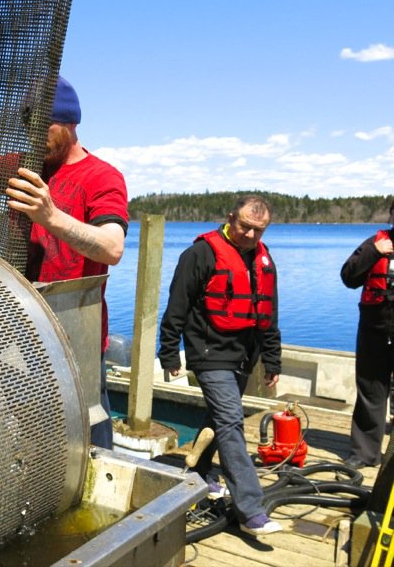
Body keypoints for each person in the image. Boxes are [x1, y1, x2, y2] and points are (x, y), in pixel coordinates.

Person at [0, 64, 128, 448]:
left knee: (89, 433)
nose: (34, 138)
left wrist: (50, 216)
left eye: (43, 128)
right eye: (28, 128)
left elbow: (112, 247)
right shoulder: (24, 166)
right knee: (32, 432)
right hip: (19, 330)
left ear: (69, 124)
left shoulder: (101, 177)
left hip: (75, 336)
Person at [158, 195, 283, 537]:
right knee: (230, 421)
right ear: (230, 218)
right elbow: (176, 308)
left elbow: (269, 315)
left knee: (218, 418)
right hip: (208, 353)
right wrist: (169, 353)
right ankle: (251, 510)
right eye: (245, 227)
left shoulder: (264, 259)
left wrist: (272, 358)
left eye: (259, 230)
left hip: (245, 356)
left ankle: (199, 475)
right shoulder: (199, 254)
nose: (251, 236)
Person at [340, 198, 394, 469]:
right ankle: (364, 453)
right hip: (375, 328)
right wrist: (374, 251)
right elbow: (349, 277)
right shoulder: (375, 243)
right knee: (370, 390)